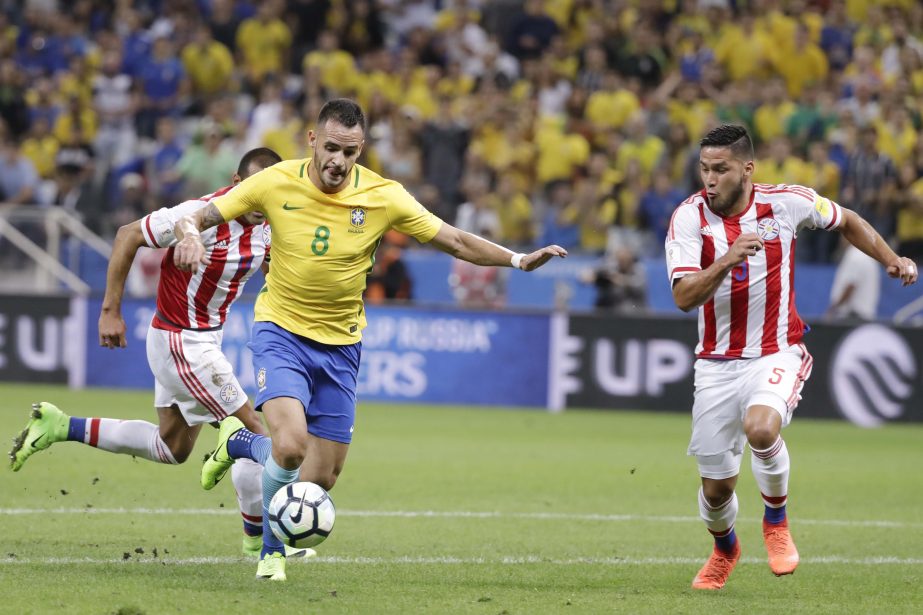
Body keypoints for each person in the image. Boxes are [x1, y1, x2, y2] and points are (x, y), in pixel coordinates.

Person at [172, 98, 567, 582]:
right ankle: (269, 553)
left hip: (341, 347)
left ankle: (237, 443)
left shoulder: (383, 196)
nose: (338, 161)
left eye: (351, 152)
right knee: (291, 447)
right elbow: (200, 213)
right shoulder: (274, 181)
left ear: (362, 150)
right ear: (313, 141)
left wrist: (519, 260)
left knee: (320, 479)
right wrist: (189, 233)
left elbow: (456, 241)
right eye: (332, 148)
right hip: (281, 333)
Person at [666, 124, 917, 591]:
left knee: (762, 428)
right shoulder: (688, 218)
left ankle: (776, 522)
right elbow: (683, 297)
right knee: (716, 491)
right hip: (716, 364)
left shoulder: (787, 202)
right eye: (704, 169)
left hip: (777, 349)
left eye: (720, 169)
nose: (710, 179)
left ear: (747, 169)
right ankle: (725, 550)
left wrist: (890, 258)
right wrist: (726, 260)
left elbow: (847, 219)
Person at [8, 147, 286, 558]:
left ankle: (60, 425)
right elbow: (128, 235)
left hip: (204, 340)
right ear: (237, 182)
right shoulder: (201, 214)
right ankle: (262, 543)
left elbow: (272, 267)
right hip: (182, 341)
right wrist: (110, 311)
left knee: (171, 447)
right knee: (258, 435)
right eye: (256, 188)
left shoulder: (269, 224)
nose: (262, 199)